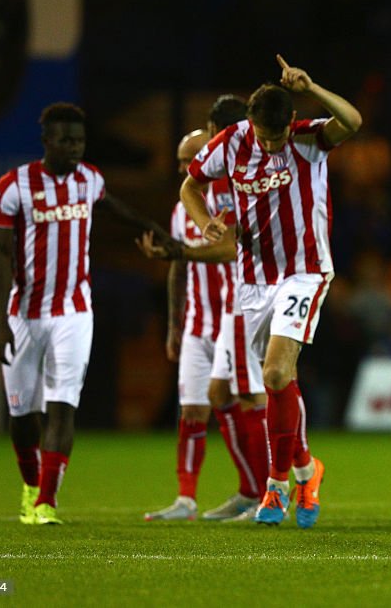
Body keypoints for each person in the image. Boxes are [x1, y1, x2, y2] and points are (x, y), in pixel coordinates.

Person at [180, 55, 362, 528]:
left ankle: (276, 486)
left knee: (277, 373)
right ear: (251, 124)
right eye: (265, 136)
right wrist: (207, 225)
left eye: (277, 135)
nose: (271, 143)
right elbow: (189, 187)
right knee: (273, 381)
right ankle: (306, 467)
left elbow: (352, 120)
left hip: (305, 271)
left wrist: (312, 85)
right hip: (254, 279)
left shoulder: (308, 138)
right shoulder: (231, 142)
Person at [0, 102, 172, 525]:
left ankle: (46, 502)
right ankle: (31, 484)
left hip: (74, 312)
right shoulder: (13, 185)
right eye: (66, 140)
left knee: (62, 406)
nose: (74, 148)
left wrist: (155, 229)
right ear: (47, 141)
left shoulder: (89, 179)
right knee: (22, 416)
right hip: (25, 313)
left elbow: (113, 208)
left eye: (79, 140)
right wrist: (1, 322)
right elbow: (0, 256)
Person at [140, 96, 276, 522]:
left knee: (254, 394)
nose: (186, 168)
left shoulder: (238, 192)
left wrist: (179, 250)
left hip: (239, 311)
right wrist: (175, 324)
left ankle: (273, 486)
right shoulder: (187, 207)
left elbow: (228, 249)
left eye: (193, 158)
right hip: (199, 322)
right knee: (200, 404)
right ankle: (201, 497)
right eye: (181, 161)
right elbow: (178, 270)